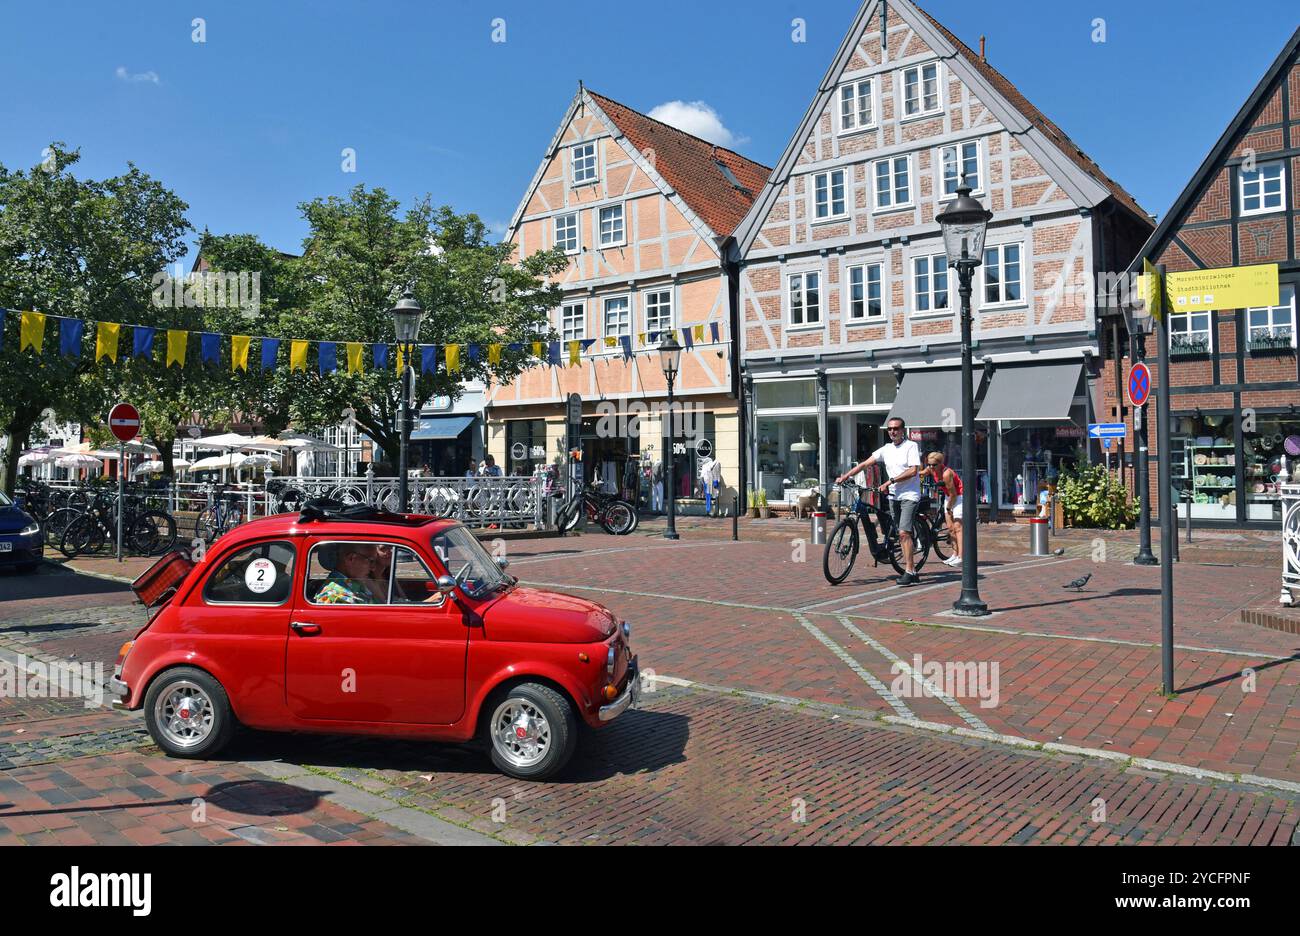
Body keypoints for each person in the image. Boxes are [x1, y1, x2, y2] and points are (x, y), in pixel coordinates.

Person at [836, 416, 922, 586]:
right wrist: (845, 475)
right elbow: (864, 464)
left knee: (904, 532)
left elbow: (913, 471)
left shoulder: (911, 446)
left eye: (896, 428)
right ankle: (904, 562)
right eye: (890, 429)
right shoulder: (886, 449)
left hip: (909, 495)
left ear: (902, 430)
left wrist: (890, 481)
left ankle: (910, 571)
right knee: (899, 532)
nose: (892, 432)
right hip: (893, 496)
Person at [923, 451, 962, 567]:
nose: (931, 467)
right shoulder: (931, 469)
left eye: (934, 465)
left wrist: (949, 507)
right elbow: (922, 473)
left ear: (941, 463)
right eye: (929, 464)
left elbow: (954, 494)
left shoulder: (946, 474)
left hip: (959, 497)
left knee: (958, 528)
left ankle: (961, 557)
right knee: (950, 528)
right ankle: (954, 555)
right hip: (948, 497)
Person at [313, 544, 380, 604]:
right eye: (371, 561)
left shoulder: (356, 584)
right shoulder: (334, 597)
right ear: (351, 558)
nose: (373, 568)